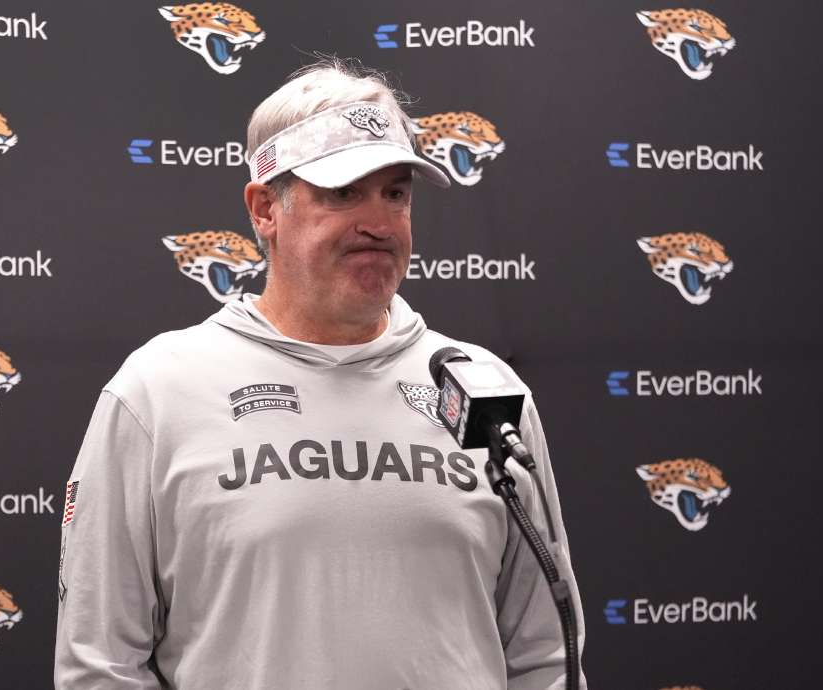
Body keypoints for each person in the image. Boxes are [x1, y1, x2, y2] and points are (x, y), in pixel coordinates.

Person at [54, 58, 586, 690]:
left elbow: (545, 657)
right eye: (343, 193)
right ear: (264, 208)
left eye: (395, 193)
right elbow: (100, 666)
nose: (379, 223)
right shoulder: (158, 392)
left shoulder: (482, 389)